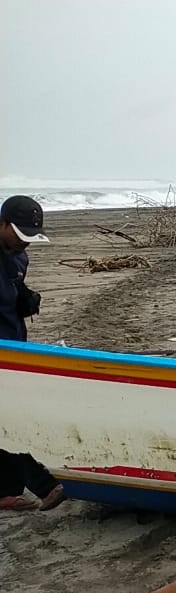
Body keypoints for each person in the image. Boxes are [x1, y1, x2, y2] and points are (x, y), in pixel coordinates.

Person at [1, 195, 66, 511]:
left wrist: (26, 298)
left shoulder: (17, 257)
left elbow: (12, 290)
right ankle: (44, 485)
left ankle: (7, 491)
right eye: (20, 234)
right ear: (2, 224)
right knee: (8, 418)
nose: (25, 243)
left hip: (13, 346)